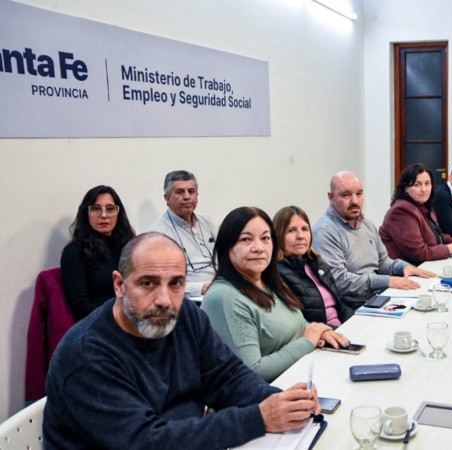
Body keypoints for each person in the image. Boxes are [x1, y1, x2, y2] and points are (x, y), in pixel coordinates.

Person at [44, 233, 321, 449]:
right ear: (119, 284)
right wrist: (259, 418)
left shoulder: (185, 315)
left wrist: (279, 402)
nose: (164, 300)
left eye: (176, 283)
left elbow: (227, 376)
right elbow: (148, 442)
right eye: (148, 283)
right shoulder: (86, 355)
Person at [202, 207, 348, 382]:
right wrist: (308, 341)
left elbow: (302, 326)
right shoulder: (224, 297)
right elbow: (252, 371)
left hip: (306, 374)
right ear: (227, 247)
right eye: (246, 239)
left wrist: (319, 332)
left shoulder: (268, 282)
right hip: (271, 398)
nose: (259, 248)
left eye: (265, 238)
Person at [312, 171, 435, 308]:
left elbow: (383, 263)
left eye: (359, 194)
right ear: (331, 197)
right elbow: (340, 282)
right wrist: (388, 281)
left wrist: (404, 267)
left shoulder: (367, 224)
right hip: (352, 306)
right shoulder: (324, 232)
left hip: (379, 297)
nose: (354, 201)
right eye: (346, 195)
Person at [60, 185, 136, 320]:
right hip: (102, 322)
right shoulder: (74, 252)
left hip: (134, 316)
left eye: (110, 209)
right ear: (86, 213)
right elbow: (80, 307)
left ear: (118, 213)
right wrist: (122, 316)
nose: (104, 215)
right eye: (96, 209)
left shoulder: (129, 245)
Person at [274, 205, 354, 328]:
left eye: (305, 229)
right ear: (279, 236)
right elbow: (300, 323)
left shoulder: (317, 263)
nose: (300, 236)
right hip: (321, 337)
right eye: (291, 230)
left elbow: (340, 304)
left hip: (341, 329)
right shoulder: (278, 273)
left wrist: (355, 321)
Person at [379, 164, 452, 265]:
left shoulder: (424, 206)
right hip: (404, 274)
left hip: (424, 266)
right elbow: (419, 253)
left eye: (427, 184)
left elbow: (435, 235)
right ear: (405, 188)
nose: (424, 189)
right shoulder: (401, 211)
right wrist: (451, 248)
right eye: (417, 185)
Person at [150, 170, 216, 297]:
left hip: (218, 288)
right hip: (189, 298)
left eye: (191, 191)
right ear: (167, 198)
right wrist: (200, 288)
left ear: (197, 196)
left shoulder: (206, 221)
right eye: (180, 192)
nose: (187, 197)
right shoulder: (158, 233)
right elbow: (161, 280)